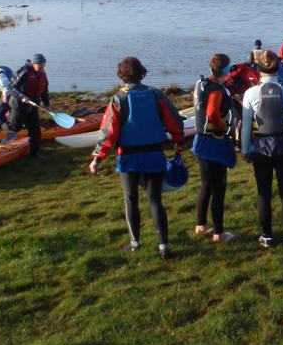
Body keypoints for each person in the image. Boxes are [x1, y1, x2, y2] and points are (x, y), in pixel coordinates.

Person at [88, 56, 186, 258]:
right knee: (155, 200)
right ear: (142, 73)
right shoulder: (156, 95)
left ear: (122, 75)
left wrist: (98, 158)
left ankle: (135, 243)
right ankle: (164, 246)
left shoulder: (118, 99)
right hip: (154, 155)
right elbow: (174, 120)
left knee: (131, 199)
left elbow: (109, 132)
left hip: (128, 158)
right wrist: (178, 141)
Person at [240, 50, 283, 247]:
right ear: (279, 68)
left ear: (258, 69)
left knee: (264, 193)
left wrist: (245, 149)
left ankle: (267, 236)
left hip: (260, 149)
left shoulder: (250, 93)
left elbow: (246, 126)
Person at [192, 54, 239, 243]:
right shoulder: (216, 90)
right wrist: (225, 127)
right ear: (226, 70)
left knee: (206, 185)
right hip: (214, 143)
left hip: (202, 141)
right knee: (218, 188)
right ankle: (219, 233)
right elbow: (212, 113)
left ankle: (201, 224)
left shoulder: (202, 83)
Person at [0, 61, 42, 157]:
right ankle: (9, 128)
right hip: (16, 96)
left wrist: (5, 96)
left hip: (10, 95)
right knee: (13, 117)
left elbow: (6, 85)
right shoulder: (4, 67)